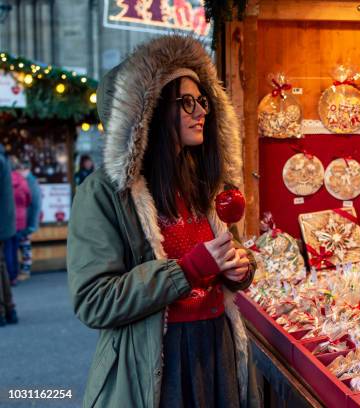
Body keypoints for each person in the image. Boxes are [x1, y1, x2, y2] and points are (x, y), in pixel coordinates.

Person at [67, 35, 260, 408]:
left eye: (202, 100)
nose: (200, 111)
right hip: (156, 363)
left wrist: (239, 267)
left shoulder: (202, 179)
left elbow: (224, 252)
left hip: (216, 351)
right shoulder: (106, 193)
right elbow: (93, 300)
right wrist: (184, 272)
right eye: (185, 102)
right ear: (148, 110)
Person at [4, 156, 31, 286]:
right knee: (15, 248)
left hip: (6, 219)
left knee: (7, 249)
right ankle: (14, 275)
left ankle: (9, 276)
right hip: (20, 219)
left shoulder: (4, 179)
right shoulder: (21, 179)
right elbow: (28, 198)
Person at [0, 145, 17, 326]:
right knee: (1, 266)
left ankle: (4, 311)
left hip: (2, 221)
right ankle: (9, 309)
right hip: (4, 222)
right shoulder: (3, 158)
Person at [16, 159, 42, 281]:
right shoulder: (25, 181)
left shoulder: (31, 182)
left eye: (22, 169)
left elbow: (36, 204)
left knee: (25, 247)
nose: (19, 172)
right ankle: (24, 269)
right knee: (23, 245)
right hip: (23, 219)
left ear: (27, 169)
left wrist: (32, 224)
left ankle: (26, 271)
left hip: (28, 221)